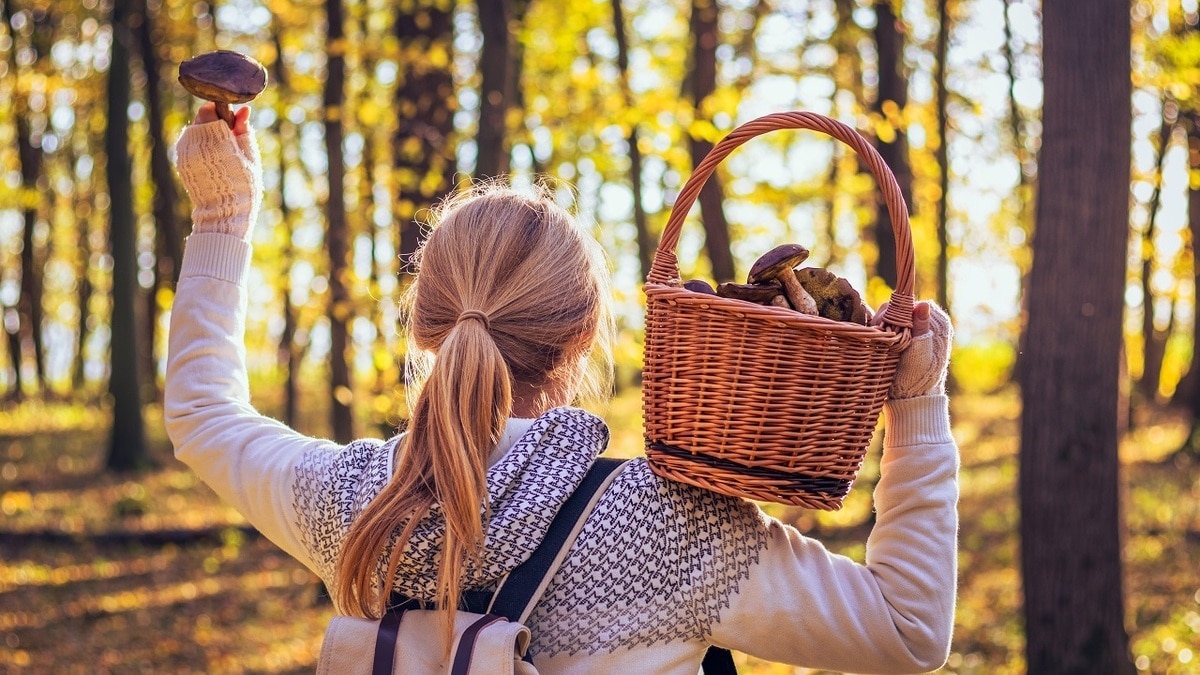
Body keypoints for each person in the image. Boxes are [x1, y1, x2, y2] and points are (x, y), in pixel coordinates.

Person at [167, 102, 958, 674]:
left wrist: (223, 214)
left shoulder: (358, 504)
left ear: (425, 327)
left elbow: (203, 414)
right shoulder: (670, 523)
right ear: (581, 339)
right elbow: (909, 629)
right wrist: (917, 405)